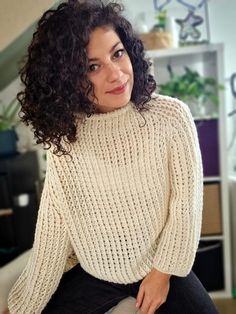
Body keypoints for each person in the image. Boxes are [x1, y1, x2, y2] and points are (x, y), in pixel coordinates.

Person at [8, 0, 218, 313]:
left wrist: (162, 274)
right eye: (93, 67)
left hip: (156, 264)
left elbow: (186, 205)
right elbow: (55, 226)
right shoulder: (66, 137)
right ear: (68, 79)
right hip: (94, 272)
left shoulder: (172, 117)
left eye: (117, 53)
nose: (117, 74)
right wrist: (25, 305)